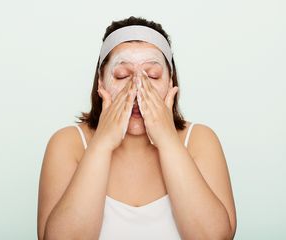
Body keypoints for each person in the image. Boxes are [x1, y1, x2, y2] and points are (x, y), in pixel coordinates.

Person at [37, 16, 237, 240]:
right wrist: (101, 145)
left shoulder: (200, 140)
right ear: (101, 82)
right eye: (122, 75)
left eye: (153, 75)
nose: (137, 87)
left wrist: (168, 141)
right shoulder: (67, 143)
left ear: (171, 83)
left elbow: (215, 237)